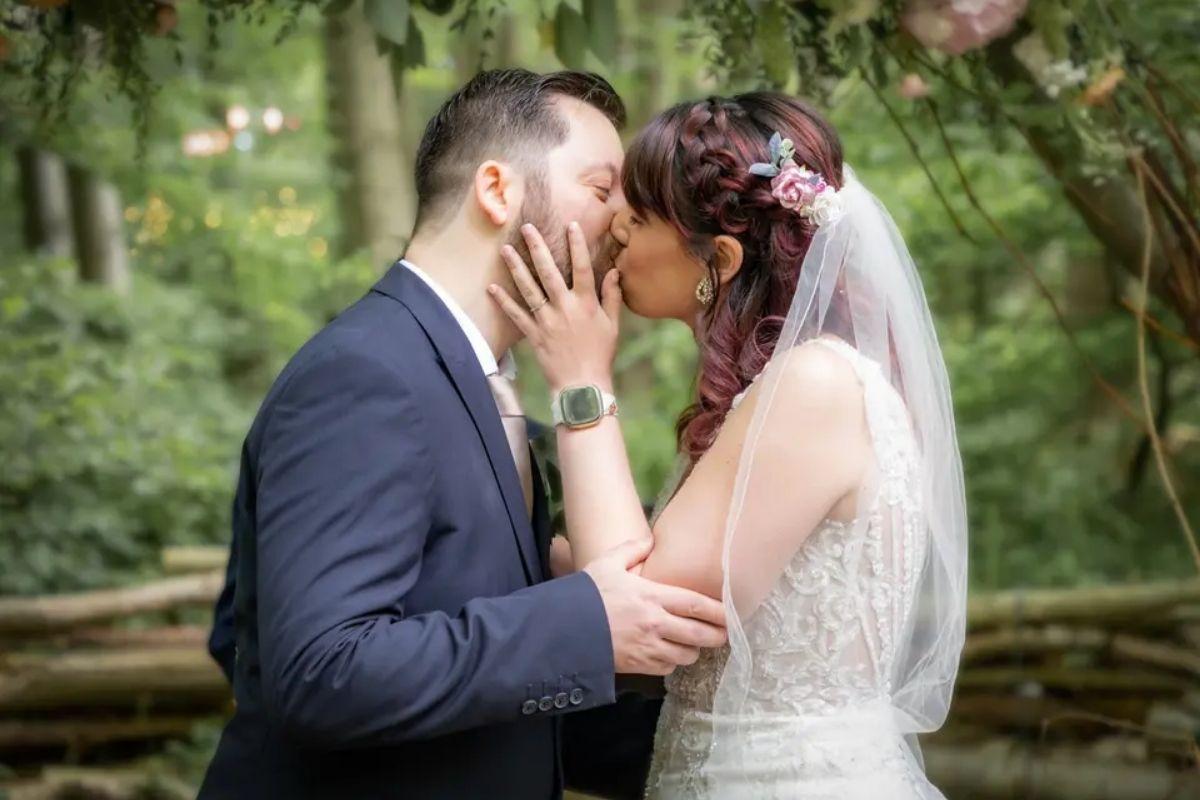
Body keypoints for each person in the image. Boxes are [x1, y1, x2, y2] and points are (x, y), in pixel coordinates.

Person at [198, 69, 727, 800]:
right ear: (497, 190)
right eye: (602, 190)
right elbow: (318, 671)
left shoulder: (487, 389)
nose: (621, 222)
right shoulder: (366, 375)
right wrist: (582, 623)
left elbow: (486, 675)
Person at [491, 92, 968, 799]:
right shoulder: (773, 392)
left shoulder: (815, 385)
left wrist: (582, 384)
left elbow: (644, 612)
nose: (616, 224)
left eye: (642, 213)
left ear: (719, 257)